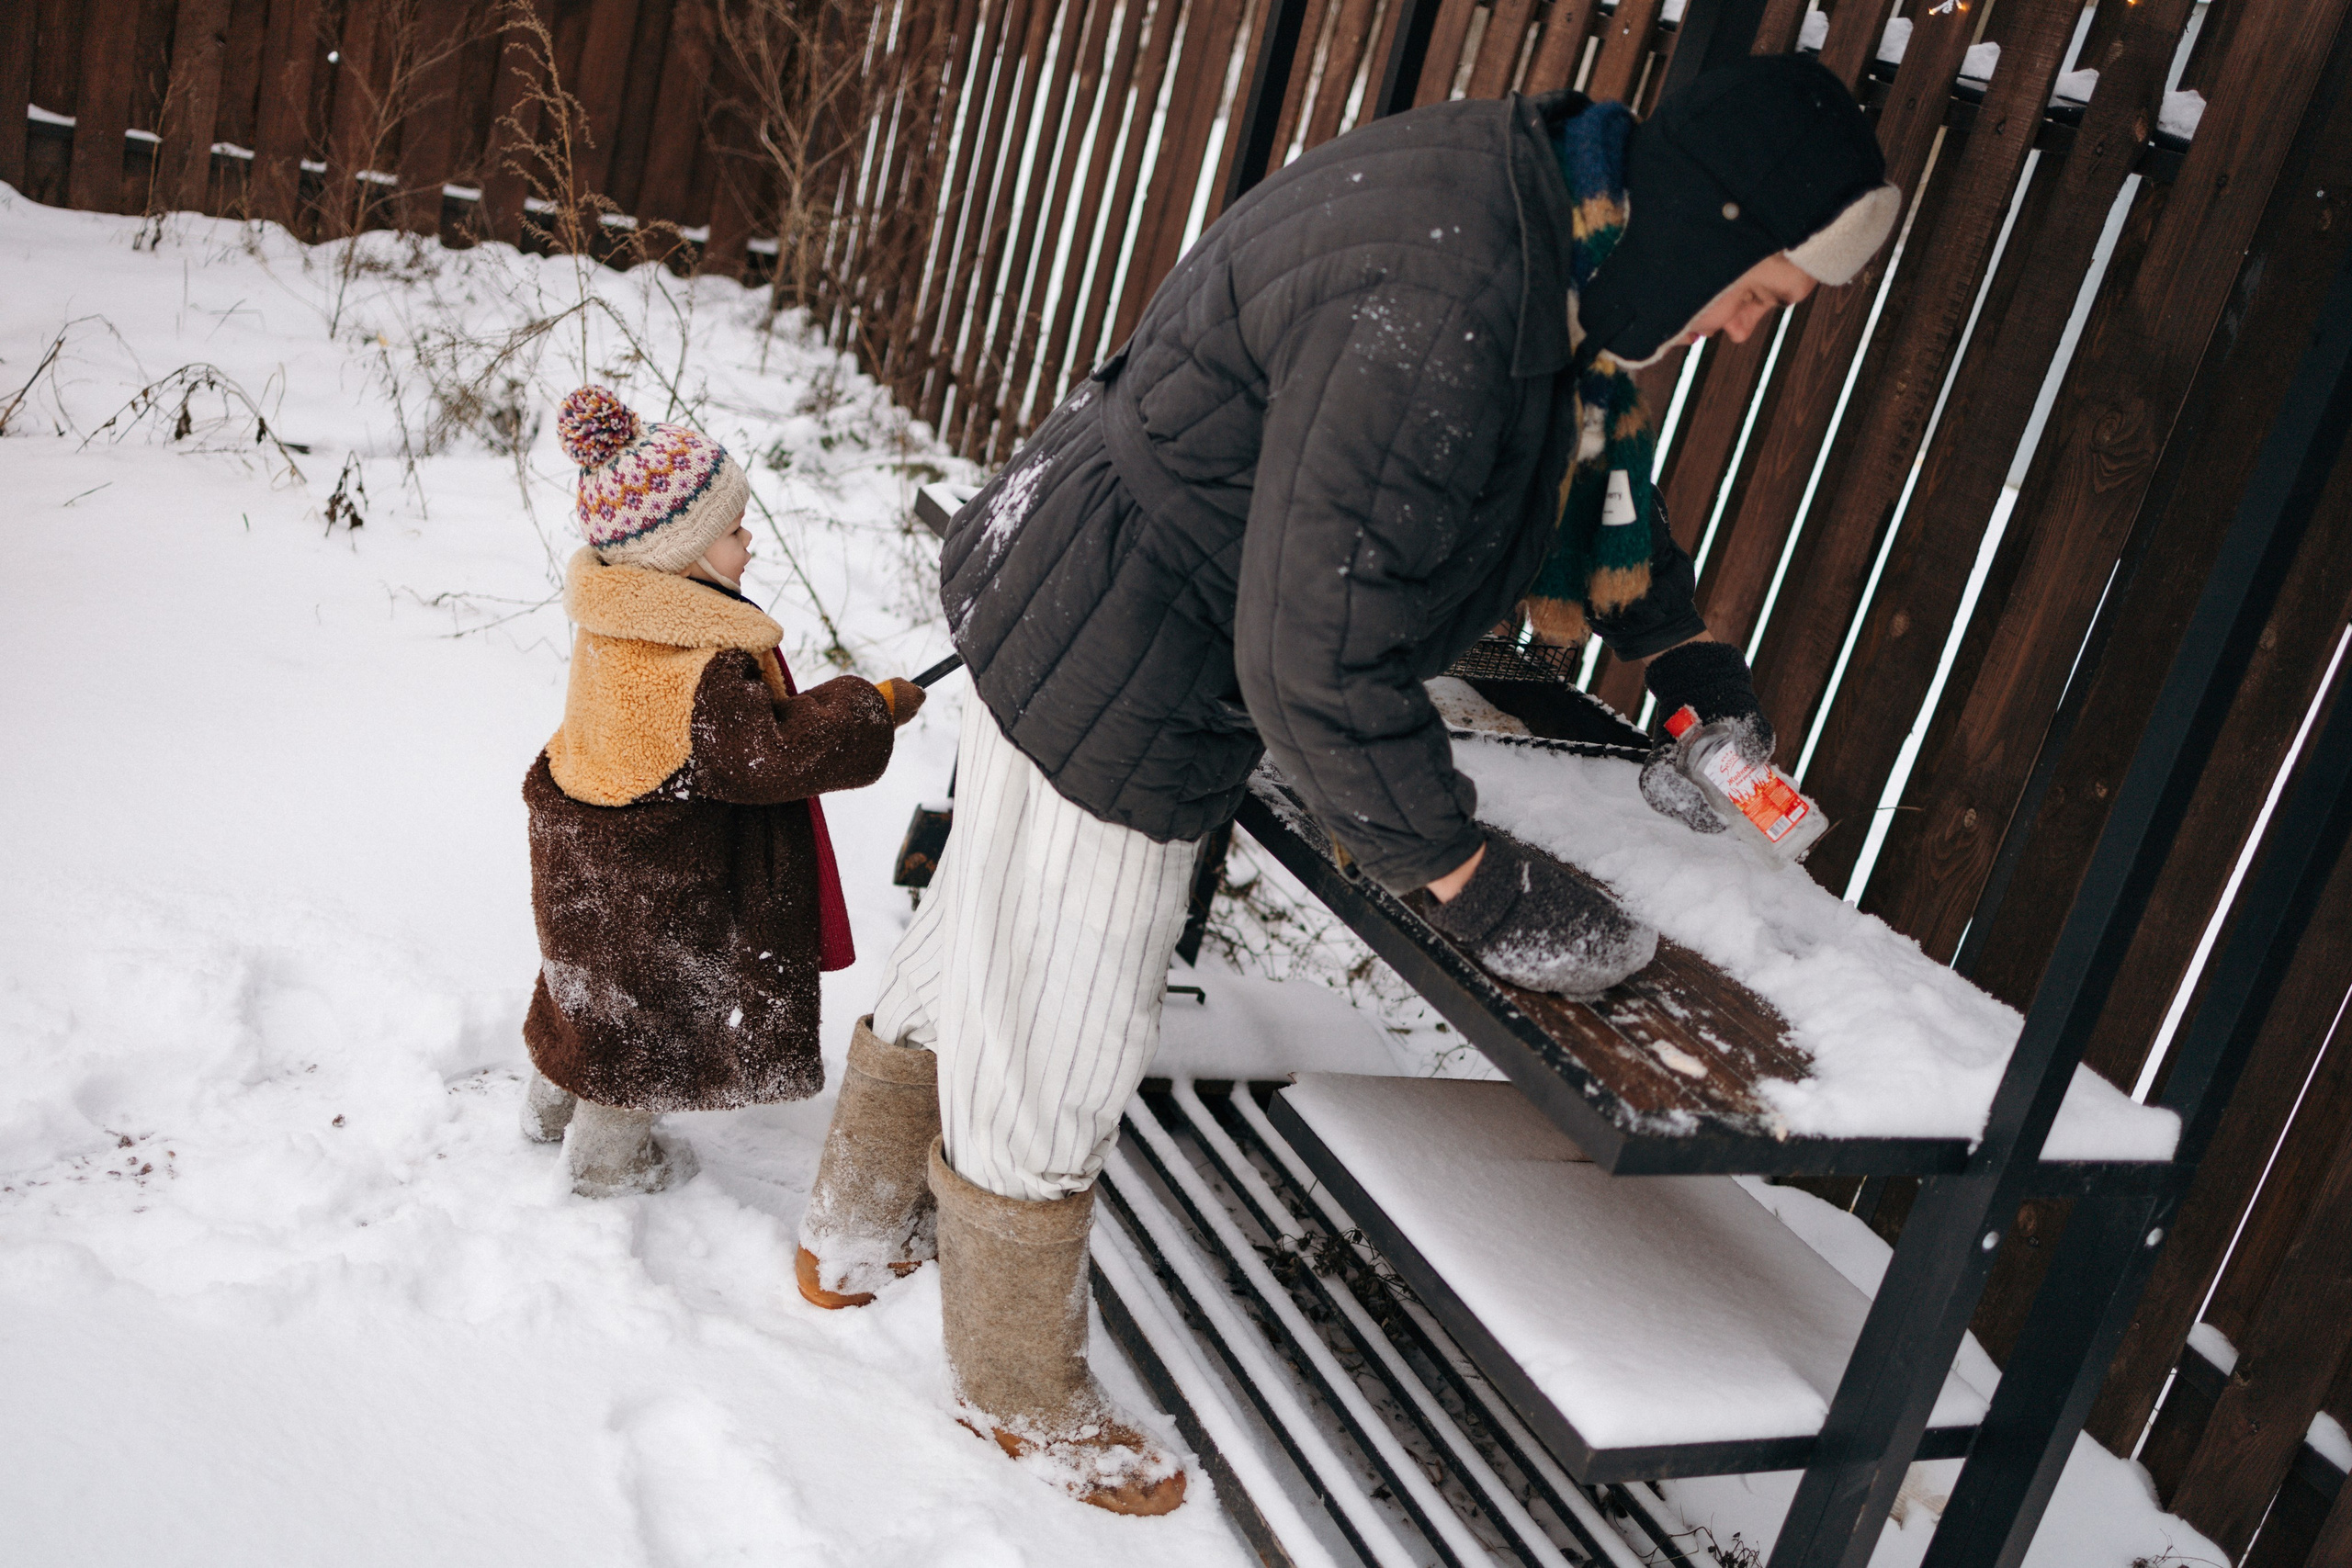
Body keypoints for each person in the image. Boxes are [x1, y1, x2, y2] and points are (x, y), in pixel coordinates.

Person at [796, 56, 1901, 1513]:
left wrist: (1673, 643)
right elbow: (1317, 660)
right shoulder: (1452, 305)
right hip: (1135, 644)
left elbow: (1573, 442)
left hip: (1064, 559)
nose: (1743, 329)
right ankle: (1014, 1379)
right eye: (1759, 289)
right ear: (1709, 223)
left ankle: (853, 1224)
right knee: (1065, 1005)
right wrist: (1470, 878)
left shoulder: (1538, 199)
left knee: (984, 916)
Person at [518, 385, 925, 1198]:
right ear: (681, 552)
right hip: (656, 882)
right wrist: (868, 710)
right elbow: (765, 755)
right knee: (640, 1022)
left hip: (592, 864)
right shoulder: (700, 666)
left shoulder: (621, 615)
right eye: (735, 532)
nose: (749, 545)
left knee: (587, 998)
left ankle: (547, 1110)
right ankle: (606, 1163)